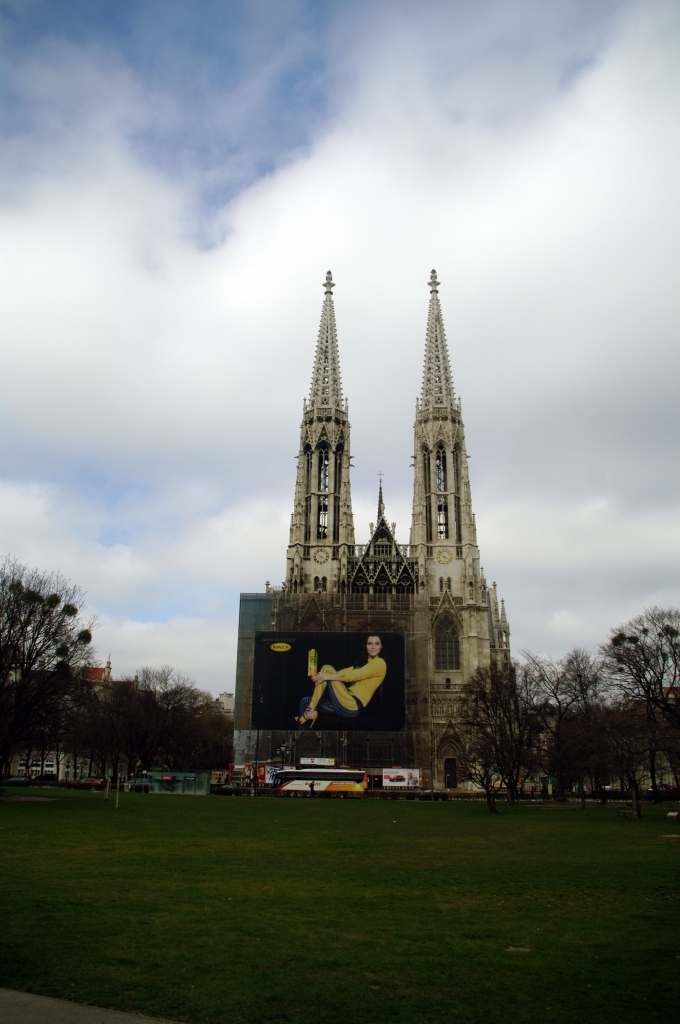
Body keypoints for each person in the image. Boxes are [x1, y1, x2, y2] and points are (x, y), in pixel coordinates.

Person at [296, 635, 387, 727]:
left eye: (377, 644)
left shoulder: (380, 663)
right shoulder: (363, 663)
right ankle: (301, 733)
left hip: (352, 706)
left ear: (381, 646)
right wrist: (320, 677)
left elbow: (355, 675)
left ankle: (311, 709)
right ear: (366, 646)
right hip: (342, 700)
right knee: (305, 701)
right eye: (370, 643)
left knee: (327, 669)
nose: (373, 647)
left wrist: (325, 676)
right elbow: (344, 671)